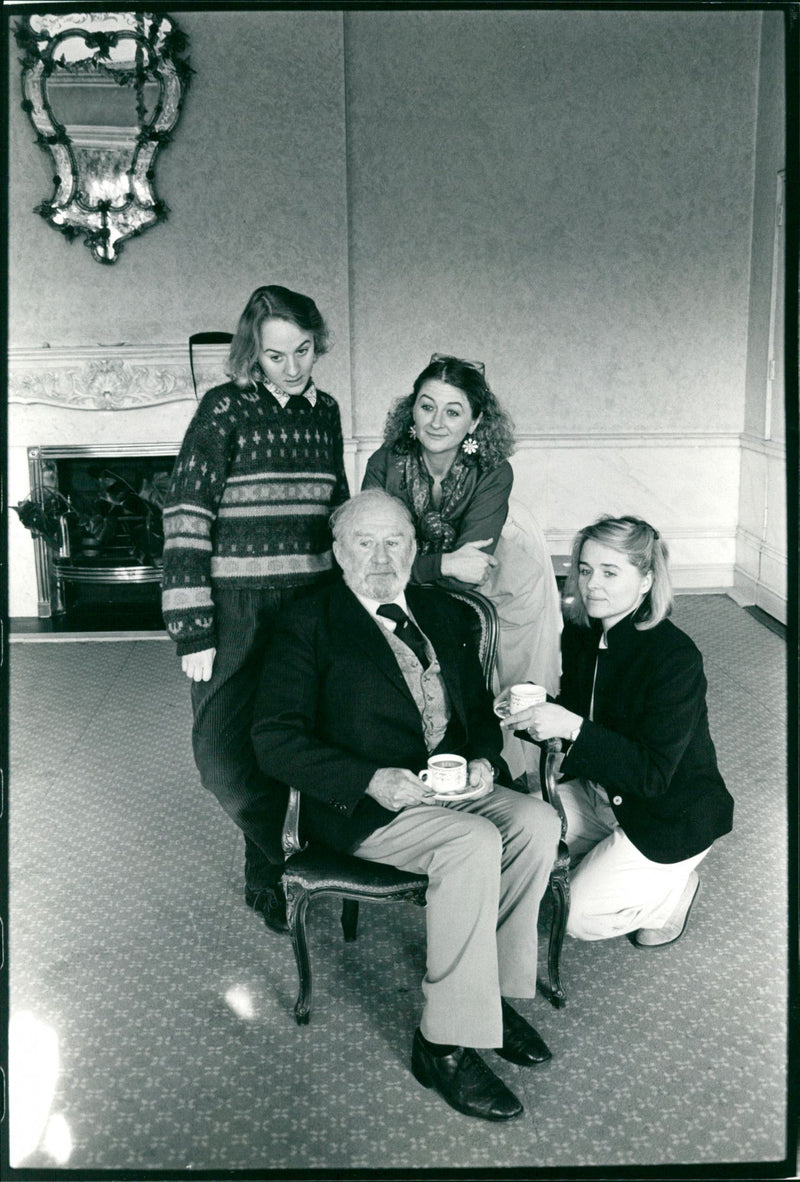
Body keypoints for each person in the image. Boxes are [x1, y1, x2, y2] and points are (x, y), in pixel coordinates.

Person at [250, 489, 561, 1122]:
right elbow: (273, 741)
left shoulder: (440, 613)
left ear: (416, 549)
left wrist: (481, 760)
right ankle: (442, 1043)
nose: (381, 556)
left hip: (448, 791)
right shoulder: (307, 623)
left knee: (537, 820)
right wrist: (368, 779)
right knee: (471, 844)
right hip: (367, 808)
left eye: (396, 541)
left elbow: (476, 715)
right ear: (338, 552)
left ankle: (491, 1004)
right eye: (364, 542)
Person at [161, 285, 349, 931]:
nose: (292, 367)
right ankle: (294, 857)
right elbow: (187, 513)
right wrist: (192, 626)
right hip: (236, 606)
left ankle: (265, 876)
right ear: (252, 353)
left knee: (295, 742)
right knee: (222, 757)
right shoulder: (223, 410)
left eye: (302, 351)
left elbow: (338, 510)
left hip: (311, 602)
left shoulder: (326, 411)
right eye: (276, 355)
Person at [498, 514, 734, 947]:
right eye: (585, 570)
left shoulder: (675, 658)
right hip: (599, 793)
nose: (591, 585)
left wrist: (571, 726)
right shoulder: (583, 634)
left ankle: (676, 890)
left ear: (646, 581)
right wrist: (534, 709)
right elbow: (575, 717)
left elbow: (651, 775)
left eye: (610, 572)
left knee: (577, 918)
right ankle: (610, 859)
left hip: (666, 815)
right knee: (513, 834)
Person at [361, 354, 561, 778]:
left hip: (492, 574)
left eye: (453, 412)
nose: (437, 422)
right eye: (427, 406)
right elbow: (371, 555)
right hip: (413, 571)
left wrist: (432, 563)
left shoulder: (492, 470)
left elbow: (472, 567)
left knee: (512, 640)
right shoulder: (385, 462)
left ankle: (507, 761)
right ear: (411, 410)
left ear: (473, 423)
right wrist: (443, 562)